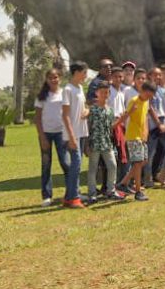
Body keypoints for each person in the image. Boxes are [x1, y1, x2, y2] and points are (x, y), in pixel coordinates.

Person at [34, 69, 81, 207]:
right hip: (46, 133)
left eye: (56, 77)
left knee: (66, 163)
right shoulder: (41, 96)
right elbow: (37, 118)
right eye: (50, 78)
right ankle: (47, 195)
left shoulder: (64, 93)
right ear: (47, 80)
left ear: (60, 78)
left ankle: (72, 192)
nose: (53, 80)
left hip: (62, 133)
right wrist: (42, 137)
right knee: (46, 165)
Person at [85, 84, 127, 202]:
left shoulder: (109, 110)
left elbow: (111, 127)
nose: (105, 94)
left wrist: (123, 118)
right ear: (97, 93)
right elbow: (88, 127)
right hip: (94, 143)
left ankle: (110, 190)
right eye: (102, 92)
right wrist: (86, 144)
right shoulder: (92, 110)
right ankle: (92, 194)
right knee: (93, 169)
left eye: (107, 92)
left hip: (107, 143)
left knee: (112, 166)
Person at [117, 81, 155, 201]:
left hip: (142, 137)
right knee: (138, 163)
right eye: (148, 94)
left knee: (143, 161)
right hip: (133, 137)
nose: (150, 97)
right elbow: (124, 117)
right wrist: (130, 112)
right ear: (142, 91)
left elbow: (145, 119)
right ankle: (138, 191)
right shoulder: (133, 101)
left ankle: (123, 184)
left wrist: (146, 134)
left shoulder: (146, 102)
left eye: (151, 95)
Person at [145, 67, 165, 187]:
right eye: (155, 75)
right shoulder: (148, 88)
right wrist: (158, 124)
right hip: (153, 122)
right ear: (150, 76)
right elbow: (150, 107)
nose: (157, 77)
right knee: (150, 152)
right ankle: (148, 179)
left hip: (164, 120)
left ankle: (162, 174)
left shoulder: (164, 90)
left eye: (159, 75)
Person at [62, 62, 89, 200]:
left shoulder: (80, 88)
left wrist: (87, 111)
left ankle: (72, 193)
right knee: (76, 164)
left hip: (82, 131)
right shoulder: (67, 89)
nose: (86, 75)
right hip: (72, 134)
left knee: (77, 164)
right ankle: (72, 197)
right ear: (77, 72)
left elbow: (83, 107)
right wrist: (71, 137)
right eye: (84, 72)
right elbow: (65, 115)